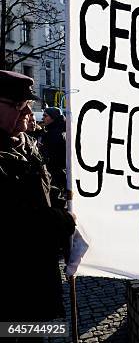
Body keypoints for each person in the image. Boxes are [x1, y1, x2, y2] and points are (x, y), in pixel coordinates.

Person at [0, 70, 75, 322]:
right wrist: (62, 220)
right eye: (18, 105)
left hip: (38, 274)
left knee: (37, 330)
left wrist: (63, 201)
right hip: (10, 283)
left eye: (28, 105)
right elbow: (17, 220)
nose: (27, 113)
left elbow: (47, 186)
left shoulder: (27, 144)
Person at [40, 106, 67, 191]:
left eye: (45, 116)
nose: (42, 118)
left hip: (55, 176)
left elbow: (54, 159)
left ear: (53, 117)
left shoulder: (54, 134)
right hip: (59, 175)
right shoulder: (57, 131)